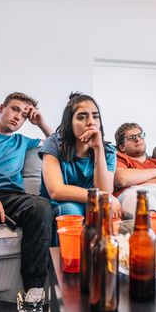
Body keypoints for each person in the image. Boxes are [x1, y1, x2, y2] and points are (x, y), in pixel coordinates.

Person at [0, 92, 54, 312]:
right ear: (2, 108)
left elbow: (58, 145)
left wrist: (40, 123)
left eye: (24, 115)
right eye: (15, 109)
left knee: (41, 207)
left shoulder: (23, 141)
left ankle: (33, 292)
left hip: (12, 197)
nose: (18, 117)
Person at [39, 92, 121, 223]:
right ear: (69, 123)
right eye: (81, 117)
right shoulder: (53, 143)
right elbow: (56, 190)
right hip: (59, 202)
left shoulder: (108, 151)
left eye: (96, 117)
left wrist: (98, 149)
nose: (91, 122)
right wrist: (102, 196)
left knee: (102, 209)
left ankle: (101, 244)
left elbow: (105, 190)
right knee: (72, 210)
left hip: (92, 202)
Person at [114, 122, 156, 216]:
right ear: (122, 147)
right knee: (151, 214)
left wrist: (139, 179)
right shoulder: (119, 158)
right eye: (131, 137)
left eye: (140, 135)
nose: (137, 139)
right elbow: (122, 179)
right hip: (136, 192)